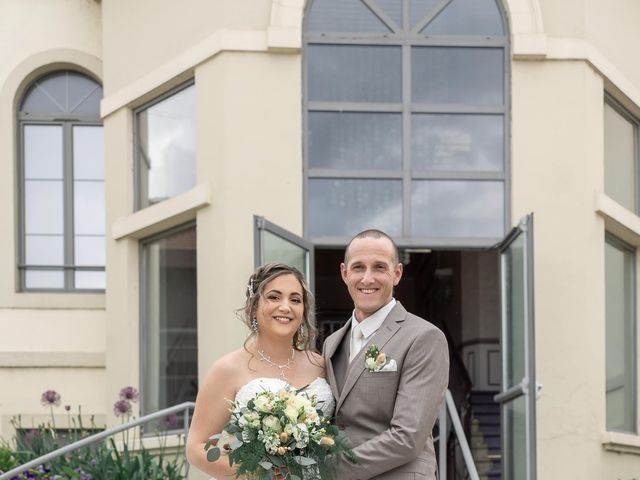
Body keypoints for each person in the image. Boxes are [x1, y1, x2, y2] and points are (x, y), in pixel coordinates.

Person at [186, 263, 335, 479]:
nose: (285, 307)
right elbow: (196, 448)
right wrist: (253, 471)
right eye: (274, 297)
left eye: (295, 300)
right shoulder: (228, 368)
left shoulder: (320, 365)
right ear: (254, 305)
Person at [323, 229, 449, 480]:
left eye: (379, 267)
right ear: (344, 273)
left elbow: (407, 437)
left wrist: (325, 469)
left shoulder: (424, 337)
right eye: (358, 267)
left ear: (397, 273)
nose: (367, 279)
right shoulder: (331, 343)